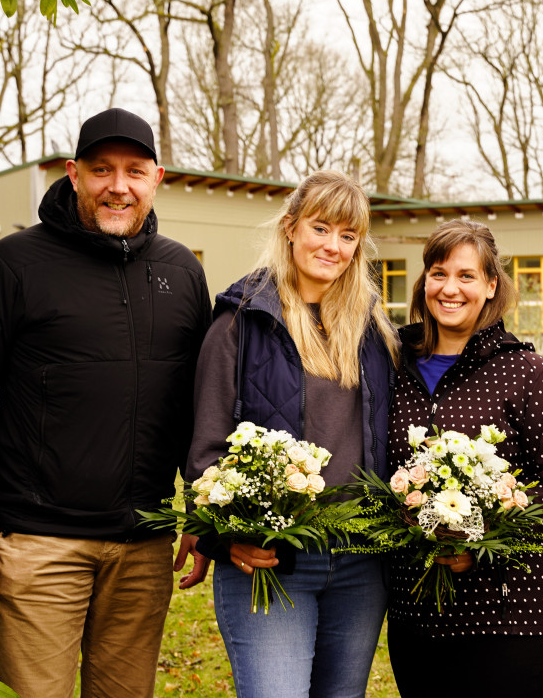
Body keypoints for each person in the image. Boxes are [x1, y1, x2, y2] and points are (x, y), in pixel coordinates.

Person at [0, 108, 212, 698]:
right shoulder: (15, 265)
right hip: (40, 546)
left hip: (143, 546)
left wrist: (202, 511)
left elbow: (199, 403)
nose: (118, 186)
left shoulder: (182, 272)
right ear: (74, 174)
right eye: (102, 169)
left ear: (156, 179)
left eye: (134, 171)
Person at [181, 170, 399, 698]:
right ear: (290, 227)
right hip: (271, 558)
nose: (333, 246)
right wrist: (222, 535)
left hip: (360, 562)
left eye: (348, 236)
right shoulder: (241, 322)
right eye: (320, 228)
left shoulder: (373, 329)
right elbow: (206, 449)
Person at [385, 218, 543, 697]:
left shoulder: (528, 373)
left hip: (514, 612)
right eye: (438, 273)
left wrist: (480, 538)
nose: (449, 288)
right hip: (418, 611)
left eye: (466, 275)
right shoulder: (393, 368)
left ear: (492, 285)